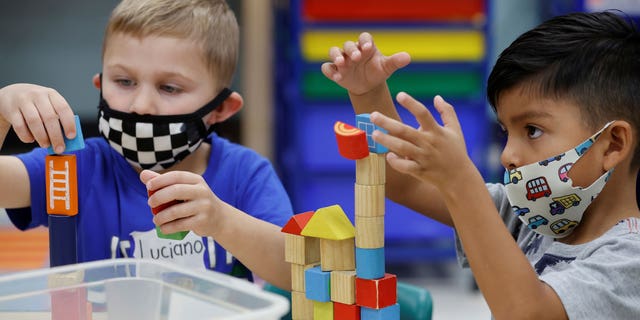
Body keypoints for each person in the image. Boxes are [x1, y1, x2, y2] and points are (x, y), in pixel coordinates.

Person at [322, 11, 640, 319]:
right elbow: (405, 181)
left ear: (613, 144)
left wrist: (460, 179)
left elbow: (528, 314)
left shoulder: (630, 259)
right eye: (506, 132)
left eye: (532, 130)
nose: (507, 155)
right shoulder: (529, 218)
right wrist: (369, 93)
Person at [0, 0, 292, 290]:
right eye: (124, 81)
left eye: (170, 87)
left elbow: (296, 274)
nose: (141, 106)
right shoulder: (75, 167)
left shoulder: (245, 173)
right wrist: (2, 112)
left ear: (221, 109)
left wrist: (221, 221)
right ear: (101, 86)